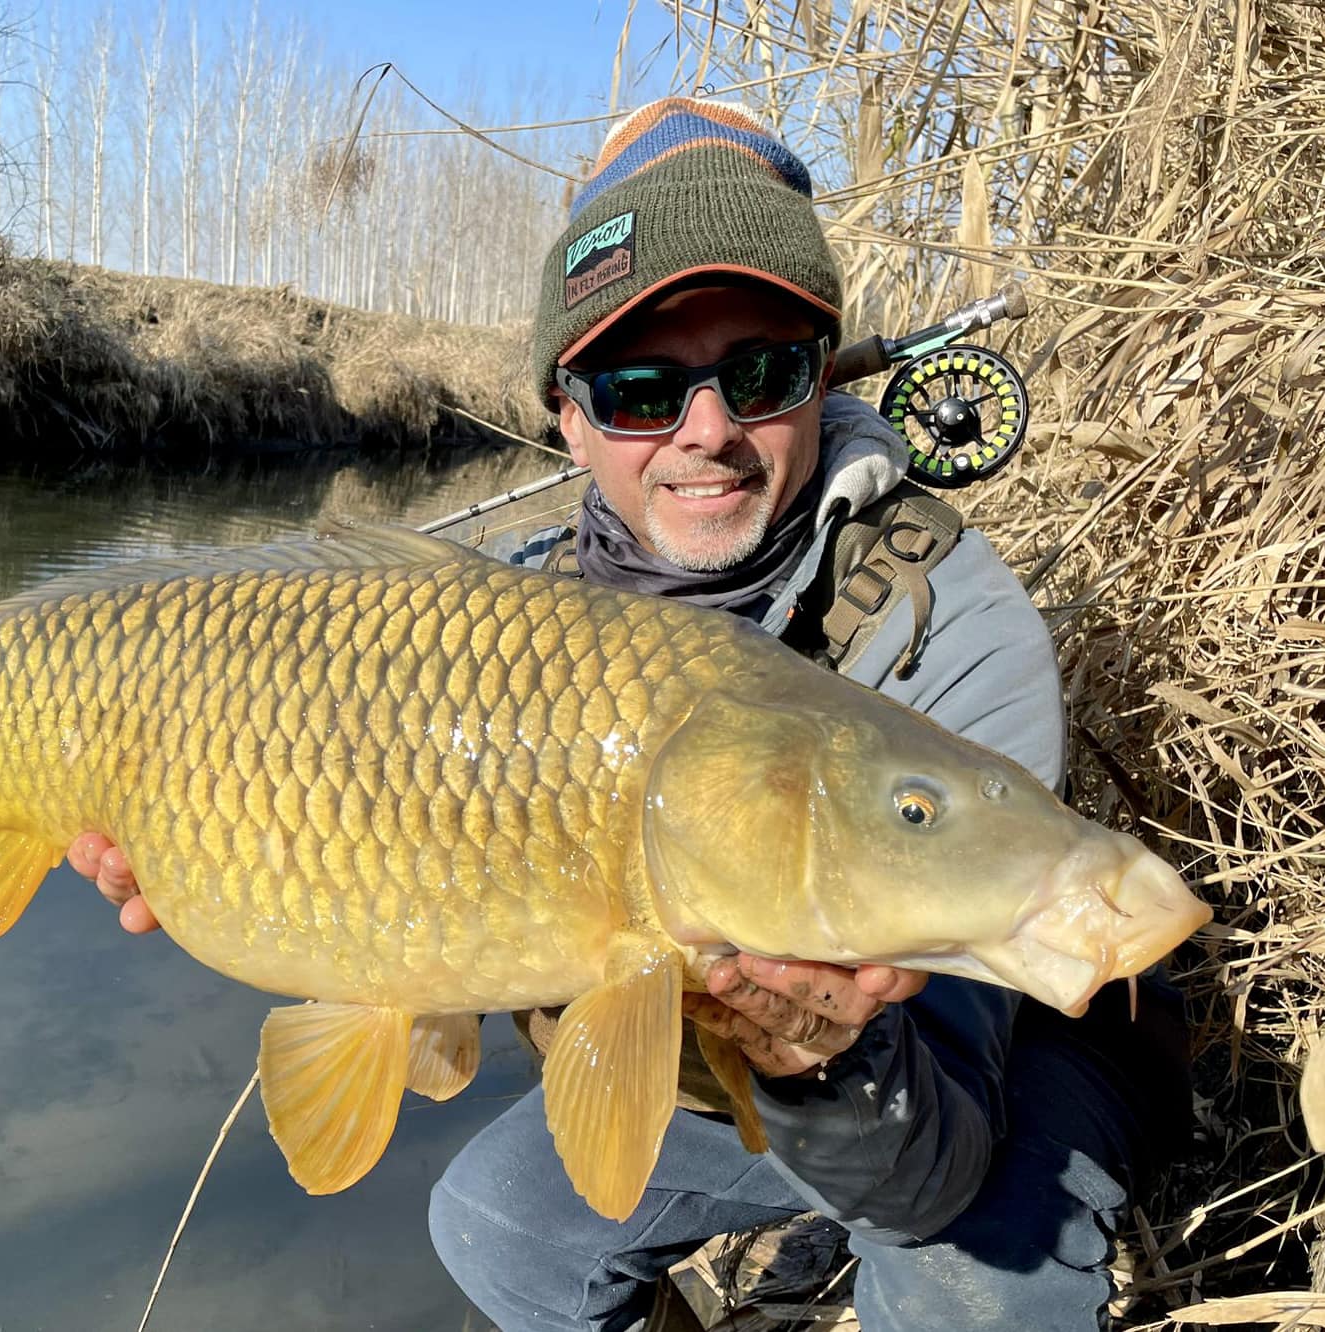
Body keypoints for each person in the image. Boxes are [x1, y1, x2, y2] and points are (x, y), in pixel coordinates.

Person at [68, 97, 1188, 1332]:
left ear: (821, 375)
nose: (704, 432)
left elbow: (928, 1165)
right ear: (570, 414)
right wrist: (229, 849)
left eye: (758, 373)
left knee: (967, 1271)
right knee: (496, 1223)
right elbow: (438, 958)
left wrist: (824, 1058)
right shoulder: (503, 625)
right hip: (727, 1072)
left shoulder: (951, 625)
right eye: (643, 387)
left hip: (981, 1080)